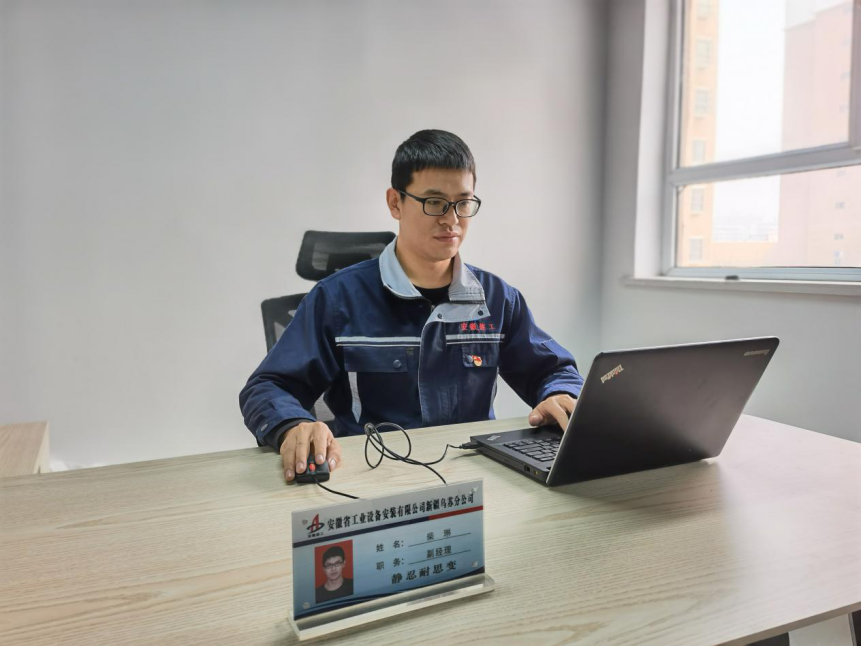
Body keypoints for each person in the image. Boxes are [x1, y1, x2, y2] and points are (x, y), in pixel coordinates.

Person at [240, 129, 584, 483]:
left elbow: (552, 370)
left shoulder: (496, 299)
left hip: (473, 480)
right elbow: (268, 386)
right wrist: (293, 424)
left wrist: (560, 394)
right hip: (370, 480)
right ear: (395, 203)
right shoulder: (337, 299)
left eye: (463, 203)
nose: (451, 219)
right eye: (434, 202)